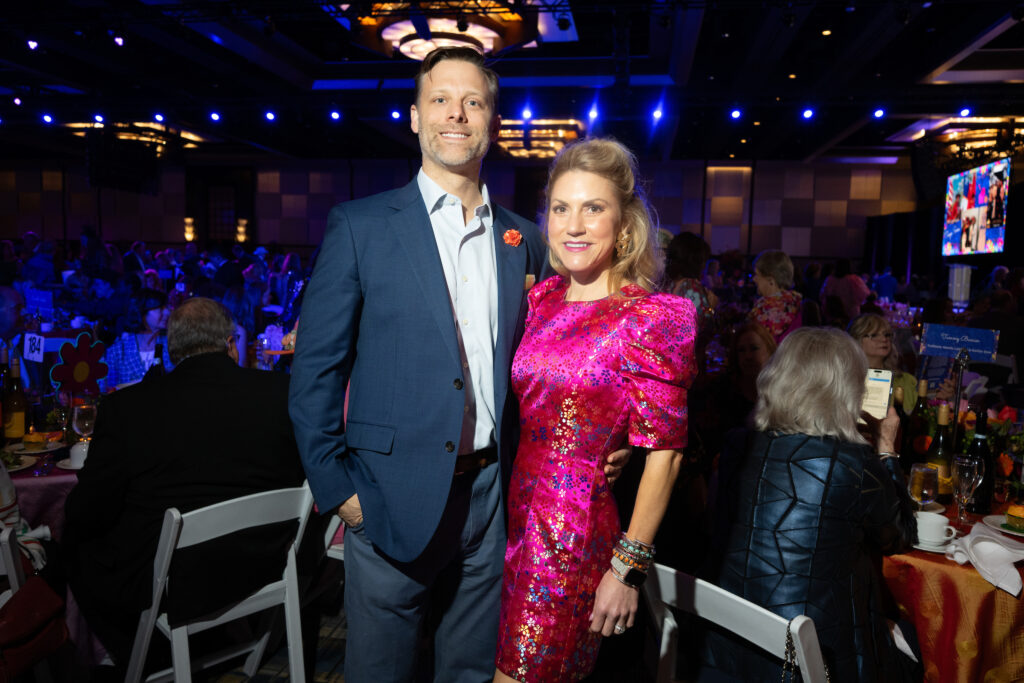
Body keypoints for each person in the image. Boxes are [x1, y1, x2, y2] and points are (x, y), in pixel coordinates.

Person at [289, 47, 627, 683]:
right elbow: (314, 375)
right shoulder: (361, 226)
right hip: (387, 497)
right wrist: (340, 494)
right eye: (440, 99)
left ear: (492, 122)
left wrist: (605, 440)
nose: (456, 114)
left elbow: (562, 362)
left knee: (471, 672)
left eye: (473, 102)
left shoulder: (526, 237)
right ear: (414, 117)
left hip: (494, 500)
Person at [494, 138, 696, 682]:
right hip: (514, 518)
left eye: (593, 207)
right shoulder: (543, 301)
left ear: (624, 224)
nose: (574, 224)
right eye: (561, 208)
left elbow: (667, 455)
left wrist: (626, 568)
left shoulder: (652, 317)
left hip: (572, 532)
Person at [63, 297, 306, 670]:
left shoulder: (128, 409)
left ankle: (134, 657)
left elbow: (88, 512)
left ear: (171, 350)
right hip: (261, 566)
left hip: (172, 583)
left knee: (72, 545)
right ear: (229, 344)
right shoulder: (282, 392)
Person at [703, 327, 917, 682]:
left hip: (727, 648)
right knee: (917, 640)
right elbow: (899, 535)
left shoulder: (737, 446)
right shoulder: (854, 464)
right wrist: (886, 449)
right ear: (847, 389)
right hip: (812, 657)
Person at [101, 288, 172, 390]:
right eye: (160, 308)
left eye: (166, 307)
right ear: (141, 312)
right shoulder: (117, 351)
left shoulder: (173, 344)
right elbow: (109, 390)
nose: (167, 312)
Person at [848, 313, 917, 412]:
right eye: (874, 335)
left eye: (887, 334)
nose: (884, 339)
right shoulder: (846, 382)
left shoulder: (905, 381)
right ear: (856, 340)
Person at [748, 249, 801, 343]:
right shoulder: (798, 303)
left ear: (771, 280)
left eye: (757, 275)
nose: (754, 279)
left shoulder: (763, 309)